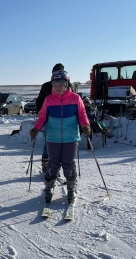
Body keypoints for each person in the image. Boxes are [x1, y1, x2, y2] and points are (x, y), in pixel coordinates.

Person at [30, 70, 91, 204]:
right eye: (55, 85)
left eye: (61, 85)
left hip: (71, 137)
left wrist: (86, 125)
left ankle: (71, 187)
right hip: (53, 137)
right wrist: (36, 128)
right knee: (53, 163)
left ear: (66, 85)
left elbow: (82, 114)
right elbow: (42, 117)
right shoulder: (49, 100)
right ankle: (49, 186)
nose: (58, 88)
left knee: (68, 163)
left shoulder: (76, 98)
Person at [35, 63, 73, 174]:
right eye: (56, 73)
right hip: (49, 119)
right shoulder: (46, 86)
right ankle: (46, 164)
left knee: (62, 144)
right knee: (49, 141)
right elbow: (39, 101)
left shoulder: (68, 86)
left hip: (65, 120)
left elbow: (73, 102)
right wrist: (40, 113)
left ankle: (57, 166)